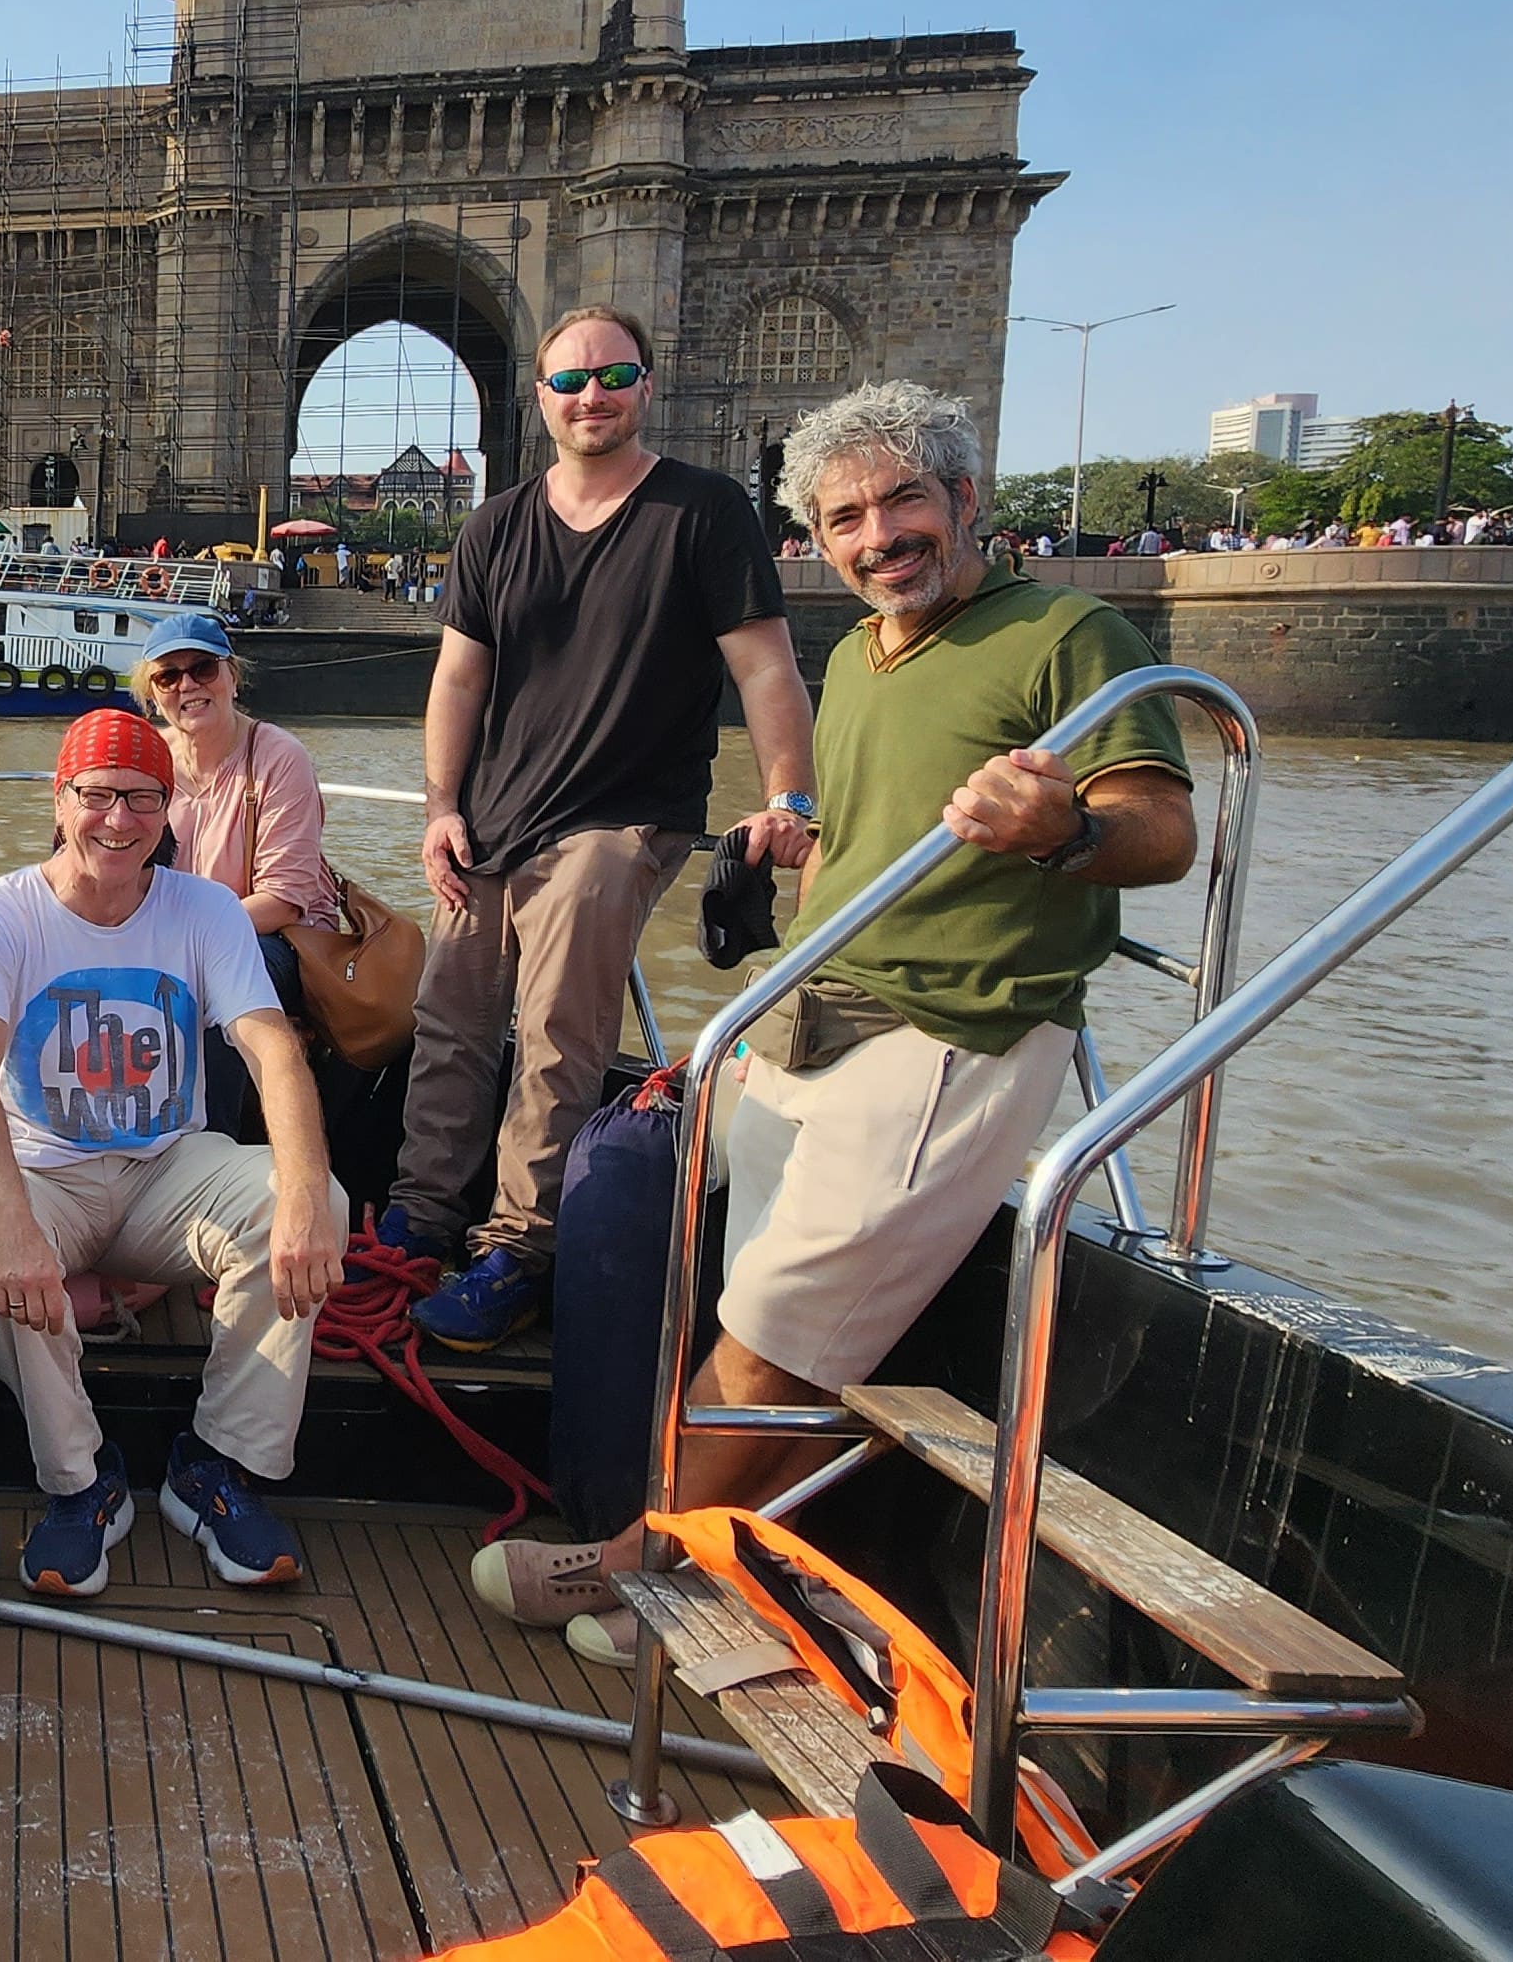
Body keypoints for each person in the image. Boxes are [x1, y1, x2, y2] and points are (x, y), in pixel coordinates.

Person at [469, 381, 1195, 1665]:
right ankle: (704, 1579)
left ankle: (640, 1573)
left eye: (904, 500)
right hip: (805, 1022)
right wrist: (744, 1012)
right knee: (747, 1310)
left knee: (767, 1341)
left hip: (945, 1034)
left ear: (966, 498)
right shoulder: (858, 656)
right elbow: (845, 861)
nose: (878, 535)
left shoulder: (1067, 637)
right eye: (844, 515)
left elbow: (1162, 830)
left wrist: (1064, 829)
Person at [396, 306, 819, 1349]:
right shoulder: (494, 525)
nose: (592, 396)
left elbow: (764, 663)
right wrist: (441, 806)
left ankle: (517, 1247)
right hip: (493, 818)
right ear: (537, 398)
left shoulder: (703, 511)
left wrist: (791, 798)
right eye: (569, 381)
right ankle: (418, 1215)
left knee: (554, 1031)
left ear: (644, 383)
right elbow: (459, 675)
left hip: (621, 818)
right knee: (449, 1016)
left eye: (612, 375)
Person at [0, 708, 349, 1598]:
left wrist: (309, 1193)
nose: (118, 822)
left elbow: (272, 1047)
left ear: (169, 811)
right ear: (60, 798)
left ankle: (217, 1465)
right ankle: (82, 1481)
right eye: (97, 796)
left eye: (142, 800)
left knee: (309, 1200)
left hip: (168, 1170)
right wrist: (8, 1222)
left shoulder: (202, 909)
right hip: (46, 1175)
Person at [134, 608, 406, 1193]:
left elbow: (282, 899)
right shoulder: (147, 763)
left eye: (202, 668)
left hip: (273, 941)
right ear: (152, 691)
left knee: (211, 994)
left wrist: (180, 941)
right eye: (168, 676)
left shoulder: (278, 757)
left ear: (232, 675)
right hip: (172, 935)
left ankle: (215, 1173)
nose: (187, 686)